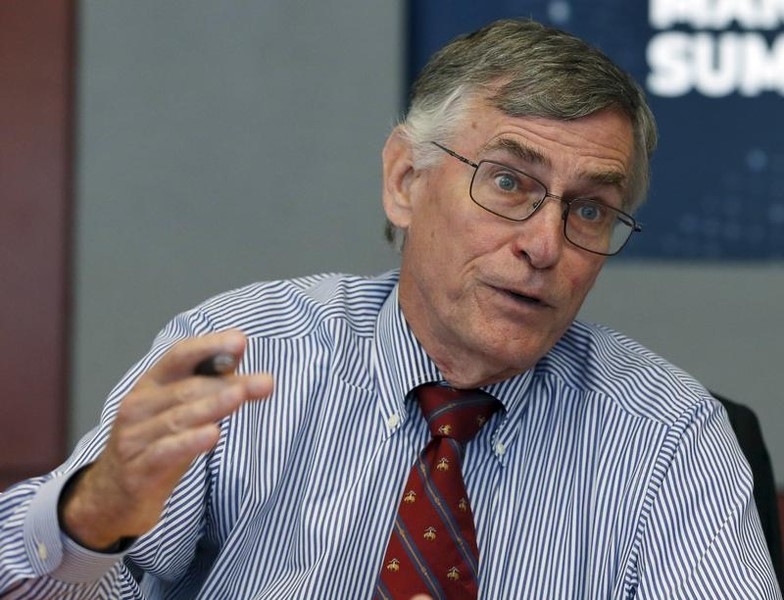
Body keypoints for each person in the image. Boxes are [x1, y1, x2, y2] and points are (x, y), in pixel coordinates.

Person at [0, 18, 780, 599]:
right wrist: (94, 517)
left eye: (589, 210)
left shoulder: (670, 434)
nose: (546, 245)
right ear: (406, 180)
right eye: (509, 182)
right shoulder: (247, 358)